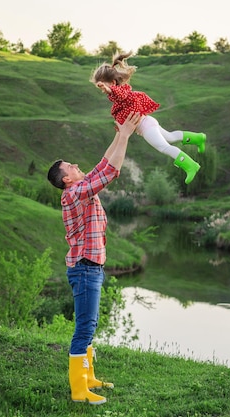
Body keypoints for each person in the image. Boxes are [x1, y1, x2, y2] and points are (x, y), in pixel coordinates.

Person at [47, 111, 143, 405]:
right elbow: (111, 172)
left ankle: (88, 378)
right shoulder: (74, 194)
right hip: (85, 268)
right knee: (85, 326)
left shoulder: (79, 187)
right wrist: (125, 136)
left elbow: (103, 163)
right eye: (71, 166)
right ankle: (79, 391)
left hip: (91, 267)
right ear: (66, 179)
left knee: (91, 322)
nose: (77, 165)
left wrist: (119, 133)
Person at [90, 52, 206, 184]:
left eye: (103, 86)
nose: (103, 90)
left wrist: (108, 89)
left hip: (146, 127)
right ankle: (198, 138)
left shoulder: (121, 92)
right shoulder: (119, 97)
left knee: (164, 147)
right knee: (171, 137)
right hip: (148, 121)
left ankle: (191, 165)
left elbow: (118, 94)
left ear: (112, 82)